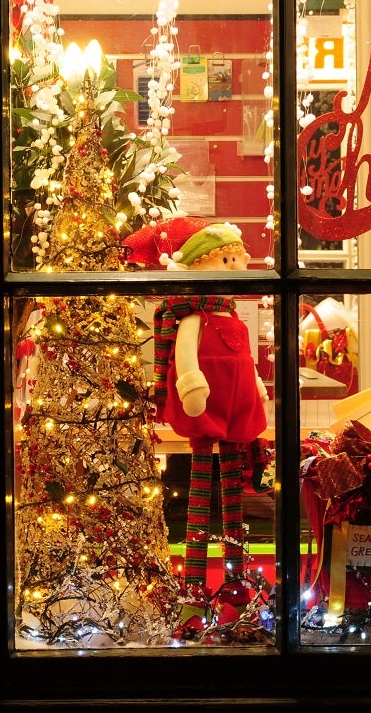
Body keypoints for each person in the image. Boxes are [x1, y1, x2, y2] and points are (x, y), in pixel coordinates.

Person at [126, 218, 269, 605]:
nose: (239, 267)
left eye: (240, 259)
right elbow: (184, 356)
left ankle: (236, 574)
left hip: (237, 409)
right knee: (200, 496)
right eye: (228, 260)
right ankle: (193, 578)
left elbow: (246, 359)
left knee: (235, 497)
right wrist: (192, 383)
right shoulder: (192, 315)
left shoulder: (230, 313)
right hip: (206, 411)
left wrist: (255, 384)